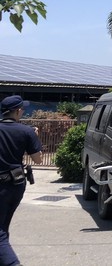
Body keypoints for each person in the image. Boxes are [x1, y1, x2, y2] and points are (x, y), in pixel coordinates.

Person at [0, 96, 42, 266]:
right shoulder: (27, 131)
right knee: (3, 226)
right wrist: (33, 137)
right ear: (17, 111)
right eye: (22, 109)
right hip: (15, 185)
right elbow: (38, 159)